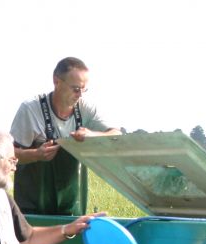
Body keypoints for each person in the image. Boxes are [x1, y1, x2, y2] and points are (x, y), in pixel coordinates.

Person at [10, 56, 122, 216]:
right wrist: (36, 154)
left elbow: (116, 134)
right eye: (76, 89)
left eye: (84, 89)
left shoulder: (85, 109)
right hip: (32, 210)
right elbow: (10, 154)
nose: (80, 95)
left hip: (72, 210)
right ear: (56, 81)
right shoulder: (31, 109)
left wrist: (92, 135)